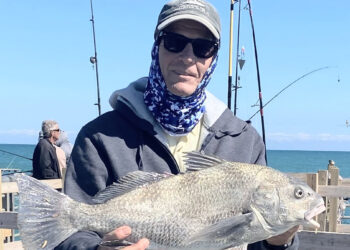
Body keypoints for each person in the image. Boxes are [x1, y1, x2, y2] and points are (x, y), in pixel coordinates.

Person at [57, 0, 299, 249]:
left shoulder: (245, 141)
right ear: (157, 46)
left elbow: (255, 243)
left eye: (203, 47)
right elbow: (68, 235)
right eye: (174, 42)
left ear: (213, 58)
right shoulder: (99, 137)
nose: (187, 57)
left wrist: (279, 241)